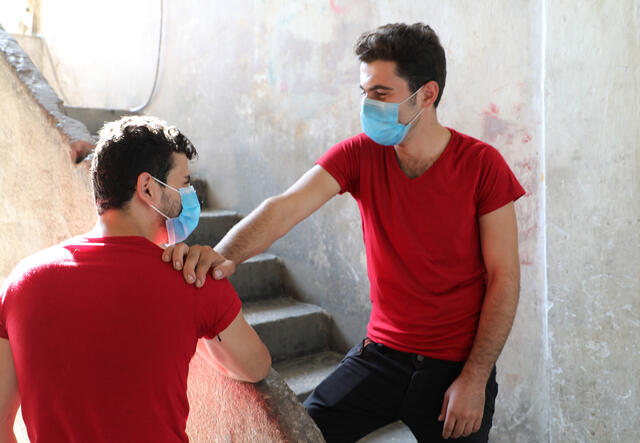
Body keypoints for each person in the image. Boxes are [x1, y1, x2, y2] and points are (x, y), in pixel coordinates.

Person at [164, 23, 525, 442]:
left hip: (456, 367)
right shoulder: (360, 155)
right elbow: (285, 207)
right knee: (299, 434)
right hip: (382, 357)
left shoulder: (483, 166)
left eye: (381, 94)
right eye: (364, 92)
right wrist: (223, 256)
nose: (368, 105)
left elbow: (505, 279)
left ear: (427, 94)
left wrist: (476, 378)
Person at [0, 116, 271, 443]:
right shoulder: (193, 279)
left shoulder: (21, 282)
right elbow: (256, 367)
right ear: (148, 188)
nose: (189, 194)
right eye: (184, 183)